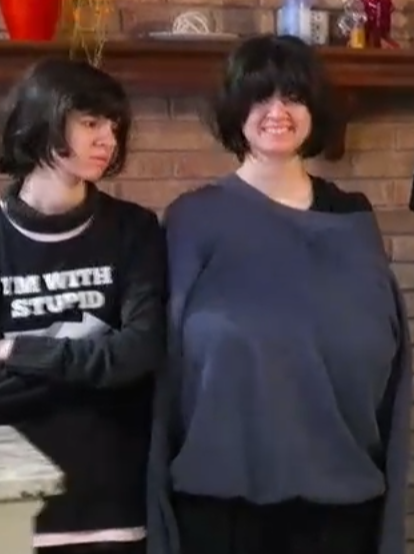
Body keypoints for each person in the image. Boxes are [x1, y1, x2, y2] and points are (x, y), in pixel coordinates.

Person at [148, 34, 411, 554]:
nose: (277, 112)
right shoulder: (193, 220)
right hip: (220, 506)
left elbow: (391, 364)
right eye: (260, 97)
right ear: (236, 110)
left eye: (293, 97)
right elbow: (165, 371)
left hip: (341, 503)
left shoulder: (353, 219)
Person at [0, 58, 166, 554]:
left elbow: (139, 354)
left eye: (114, 126)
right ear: (42, 120)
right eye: (90, 123)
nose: (108, 139)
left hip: (114, 507)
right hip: (7, 506)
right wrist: (97, 374)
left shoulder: (134, 230)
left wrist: (23, 353)